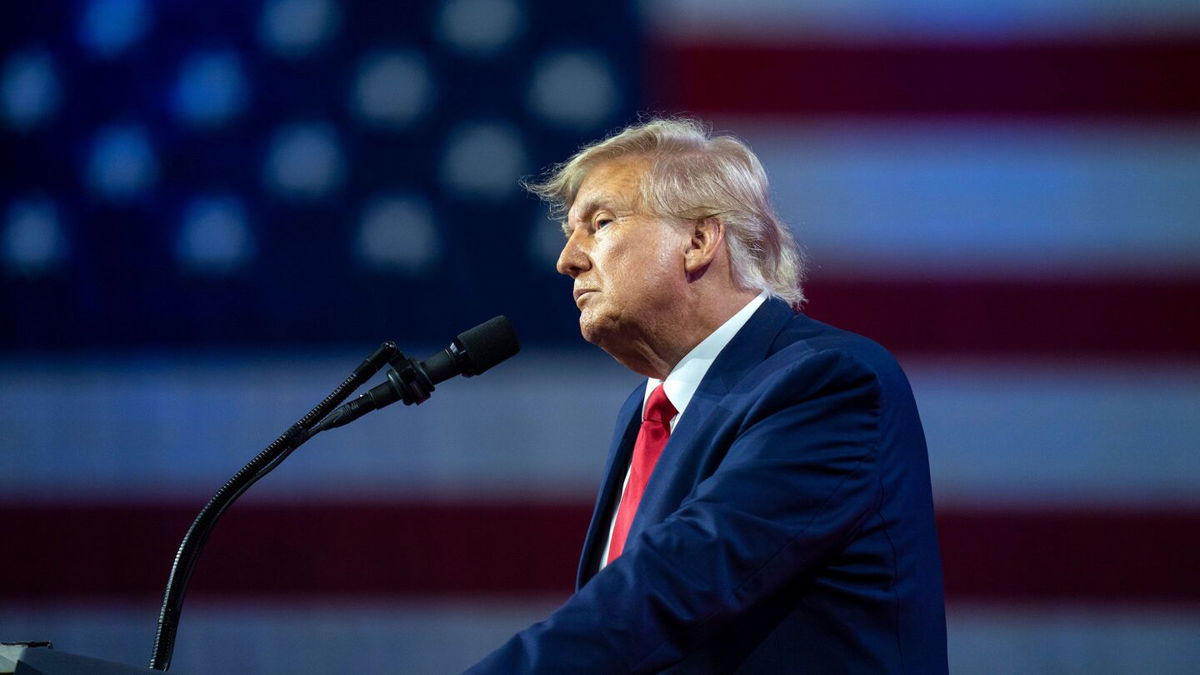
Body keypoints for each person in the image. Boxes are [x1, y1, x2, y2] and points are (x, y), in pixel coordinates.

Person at [467, 118, 947, 673]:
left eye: (600, 223)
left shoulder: (828, 382)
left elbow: (681, 578)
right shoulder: (647, 412)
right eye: (570, 232)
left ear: (698, 240)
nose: (567, 259)